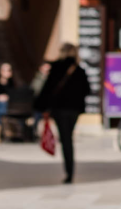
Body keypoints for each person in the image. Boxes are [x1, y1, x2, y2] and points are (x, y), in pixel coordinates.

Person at [34, 44, 90, 184]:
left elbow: (48, 89)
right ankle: (70, 171)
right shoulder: (79, 70)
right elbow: (87, 90)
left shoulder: (57, 68)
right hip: (74, 110)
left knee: (66, 139)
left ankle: (69, 172)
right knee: (67, 138)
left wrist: (41, 107)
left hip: (60, 109)